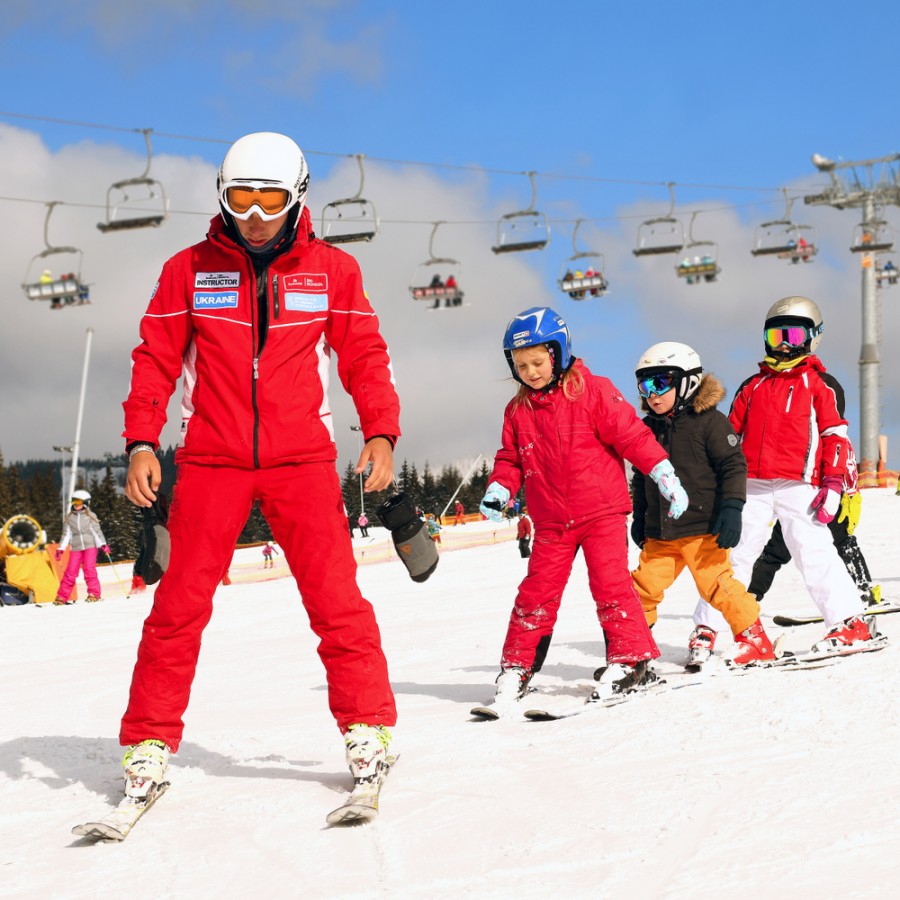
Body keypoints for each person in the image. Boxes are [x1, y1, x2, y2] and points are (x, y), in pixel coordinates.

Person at [117, 132, 401, 816]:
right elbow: (155, 357)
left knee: (336, 600)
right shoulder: (187, 270)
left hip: (301, 460)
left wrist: (383, 432)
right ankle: (148, 743)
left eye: (268, 199)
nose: (253, 214)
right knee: (178, 607)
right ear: (222, 196)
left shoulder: (332, 270)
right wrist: (141, 442)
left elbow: (364, 353)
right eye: (239, 198)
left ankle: (367, 731)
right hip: (212, 461)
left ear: (297, 197)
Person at [478, 307, 689, 711]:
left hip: (601, 512)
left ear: (558, 354)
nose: (531, 372)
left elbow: (632, 435)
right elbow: (510, 459)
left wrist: (662, 471)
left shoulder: (592, 391)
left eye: (538, 362)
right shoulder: (518, 411)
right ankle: (517, 668)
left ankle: (630, 661)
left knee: (610, 586)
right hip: (552, 522)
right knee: (535, 594)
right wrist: (499, 489)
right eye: (521, 365)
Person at [692, 296, 878, 653]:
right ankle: (707, 628)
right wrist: (716, 485)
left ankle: (851, 623)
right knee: (732, 554)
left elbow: (834, 436)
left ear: (813, 337)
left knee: (813, 551)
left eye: (794, 335)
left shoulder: (820, 384)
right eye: (777, 337)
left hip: (800, 483)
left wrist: (834, 483)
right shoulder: (752, 386)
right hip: (753, 484)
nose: (785, 344)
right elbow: (729, 438)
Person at [629, 342, 776, 668]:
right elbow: (641, 478)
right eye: (645, 384)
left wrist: (732, 508)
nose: (652, 393)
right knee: (639, 589)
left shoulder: (710, 422)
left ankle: (755, 639)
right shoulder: (646, 430)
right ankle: (634, 651)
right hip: (660, 534)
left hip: (702, 528)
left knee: (718, 586)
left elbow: (733, 465)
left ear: (687, 382)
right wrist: (640, 517)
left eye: (661, 383)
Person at [747, 439, 881, 607]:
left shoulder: (824, 430)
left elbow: (847, 465)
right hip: (810, 498)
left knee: (776, 552)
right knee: (843, 544)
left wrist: (851, 495)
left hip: (817, 498)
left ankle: (750, 594)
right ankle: (749, 595)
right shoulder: (828, 431)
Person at [54, 490, 110, 604]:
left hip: (90, 546)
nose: (76, 504)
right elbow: (66, 535)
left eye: (78, 502)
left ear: (85, 503)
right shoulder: (70, 518)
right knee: (70, 572)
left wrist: (103, 544)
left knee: (89, 569)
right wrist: (61, 549)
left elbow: (96, 532)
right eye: (74, 502)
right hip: (76, 548)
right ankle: (62, 596)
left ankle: (94, 594)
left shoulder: (91, 516)